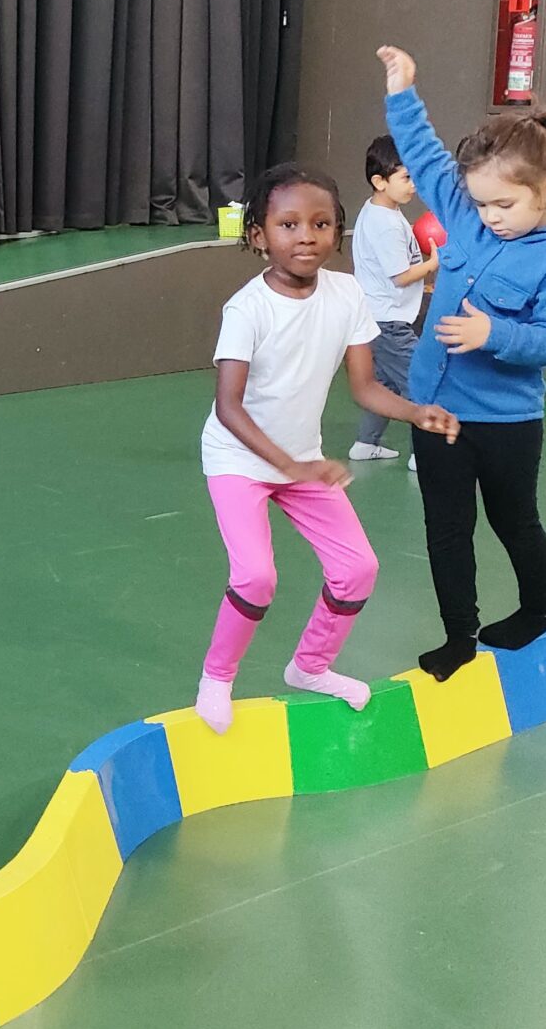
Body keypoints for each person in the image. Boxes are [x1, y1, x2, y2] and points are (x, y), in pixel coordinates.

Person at [196, 164, 460, 735]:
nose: (306, 236)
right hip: (240, 461)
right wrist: (292, 465)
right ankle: (216, 679)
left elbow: (364, 387)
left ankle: (310, 667)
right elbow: (229, 407)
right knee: (256, 577)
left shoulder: (346, 295)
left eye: (320, 224)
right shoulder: (247, 309)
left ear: (337, 232)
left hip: (302, 461)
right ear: (258, 236)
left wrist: (416, 411)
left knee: (357, 569)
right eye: (288, 224)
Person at [375, 45, 546, 682]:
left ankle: (538, 610)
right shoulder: (468, 217)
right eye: (480, 205)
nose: (490, 218)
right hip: (435, 411)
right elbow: (423, 154)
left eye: (505, 205)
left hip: (505, 423)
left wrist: (492, 333)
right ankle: (459, 636)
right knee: (446, 530)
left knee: (514, 520)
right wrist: (402, 92)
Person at [349, 134, 439, 465]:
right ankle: (423, 456)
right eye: (406, 177)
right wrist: (433, 264)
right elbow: (400, 276)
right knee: (422, 382)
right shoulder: (386, 224)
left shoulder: (381, 210)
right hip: (387, 322)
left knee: (385, 386)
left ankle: (366, 443)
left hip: (378, 317)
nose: (414, 185)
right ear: (380, 181)